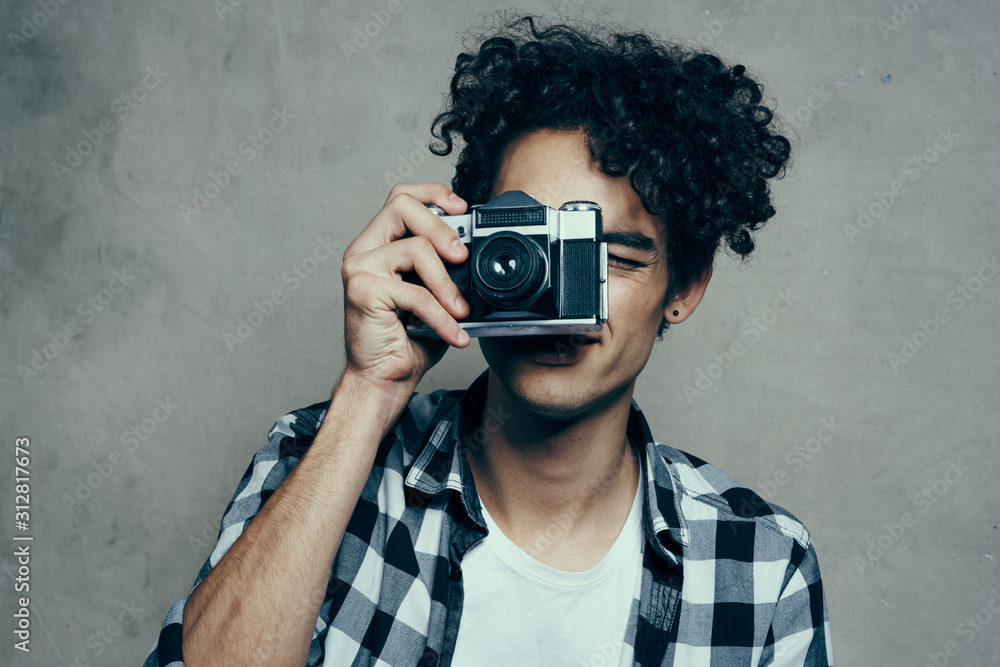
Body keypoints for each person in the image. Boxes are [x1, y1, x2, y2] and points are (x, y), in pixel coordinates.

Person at [144, 13, 832, 667]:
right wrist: (368, 391)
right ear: (462, 246)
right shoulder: (315, 459)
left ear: (683, 289)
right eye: (528, 249)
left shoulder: (760, 562)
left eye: (615, 258)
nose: (565, 302)